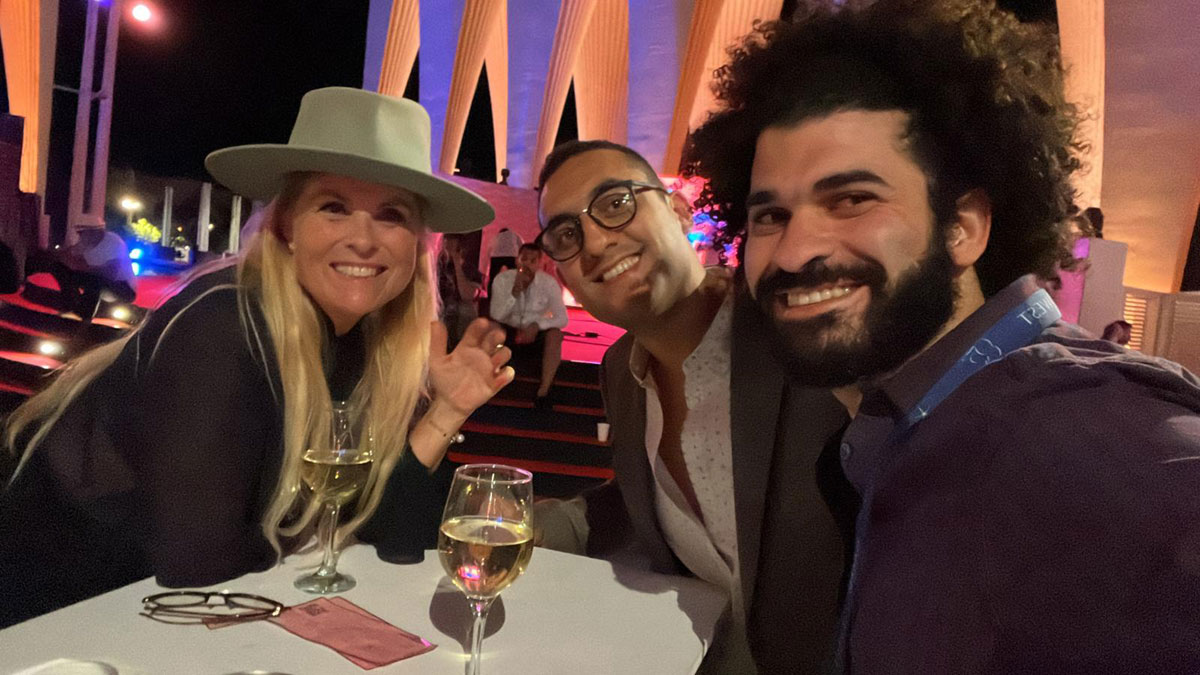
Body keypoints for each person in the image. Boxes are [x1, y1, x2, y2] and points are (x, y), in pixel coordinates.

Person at [687, 1, 1200, 671]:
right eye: (771, 216)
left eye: (852, 199)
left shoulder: (1095, 438)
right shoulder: (903, 432)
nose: (793, 251)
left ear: (964, 227)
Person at [0, 87, 513, 628]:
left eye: (392, 215)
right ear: (288, 226)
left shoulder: (365, 344)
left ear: (416, 244)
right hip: (49, 608)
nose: (363, 240)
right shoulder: (223, 326)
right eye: (334, 207)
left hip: (149, 616)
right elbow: (198, 564)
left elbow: (394, 534)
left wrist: (446, 412)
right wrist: (316, 536)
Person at [533, 139, 852, 672]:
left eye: (615, 203)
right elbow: (655, 500)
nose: (595, 242)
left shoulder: (797, 334)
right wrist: (546, 525)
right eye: (567, 234)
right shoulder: (620, 369)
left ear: (680, 211)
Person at [489, 242, 567, 404]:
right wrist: (514, 294)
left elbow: (562, 318)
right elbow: (496, 314)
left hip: (535, 332)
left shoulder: (548, 283)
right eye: (524, 259)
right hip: (509, 328)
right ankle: (489, 382)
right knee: (492, 329)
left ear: (540, 263)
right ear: (517, 260)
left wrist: (537, 325)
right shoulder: (503, 280)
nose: (527, 265)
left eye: (533, 261)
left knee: (555, 335)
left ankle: (543, 392)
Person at [37, 225, 136, 319]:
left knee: (94, 281)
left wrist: (83, 267)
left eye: (83, 232)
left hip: (123, 288)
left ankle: (85, 314)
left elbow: (110, 273)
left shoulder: (113, 242)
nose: (80, 235)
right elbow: (69, 258)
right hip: (98, 280)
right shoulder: (85, 243)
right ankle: (70, 306)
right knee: (60, 269)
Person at [437, 233, 483, 348]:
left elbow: (467, 295)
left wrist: (457, 263)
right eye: (445, 244)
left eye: (451, 245)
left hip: (463, 326)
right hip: (442, 325)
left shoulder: (471, 271)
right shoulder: (439, 269)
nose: (446, 248)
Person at [486, 226, 523, 297]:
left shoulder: (496, 237)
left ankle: (490, 295)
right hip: (511, 255)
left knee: (493, 278)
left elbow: (489, 248)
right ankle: (516, 295)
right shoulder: (515, 236)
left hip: (496, 256)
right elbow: (522, 246)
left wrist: (487, 265)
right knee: (514, 277)